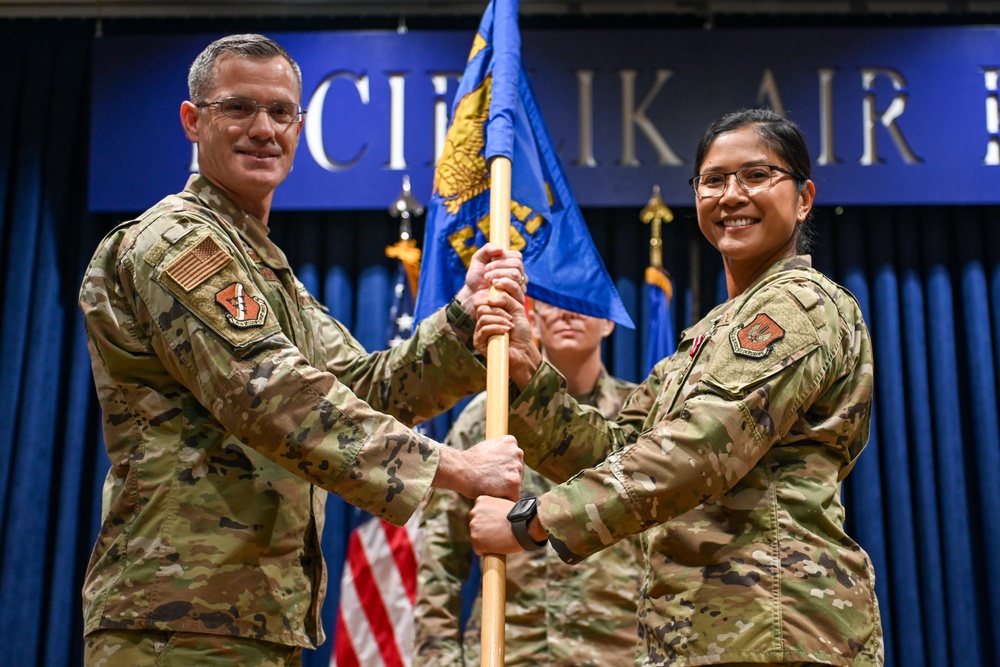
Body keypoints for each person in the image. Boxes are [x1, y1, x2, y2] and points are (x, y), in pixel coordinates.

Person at [78, 34, 526, 666]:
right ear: (192, 120)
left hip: (259, 617)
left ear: (300, 127)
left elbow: (368, 391)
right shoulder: (175, 242)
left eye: (280, 112)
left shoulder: (265, 269)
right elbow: (272, 394)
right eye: (238, 108)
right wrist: (455, 469)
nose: (263, 129)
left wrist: (463, 319)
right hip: (177, 621)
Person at [469, 108, 884, 666]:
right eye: (713, 180)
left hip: (776, 631)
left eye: (757, 176)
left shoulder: (799, 305)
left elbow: (699, 448)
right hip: (701, 637)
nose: (731, 195)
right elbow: (614, 450)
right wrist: (525, 371)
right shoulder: (712, 333)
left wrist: (534, 522)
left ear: (804, 197)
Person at [413, 299, 640, 667]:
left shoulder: (637, 417)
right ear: (533, 317)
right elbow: (441, 556)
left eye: (583, 300)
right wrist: (436, 659)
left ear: (609, 322)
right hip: (507, 651)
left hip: (617, 651)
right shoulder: (489, 418)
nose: (569, 313)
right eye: (556, 301)